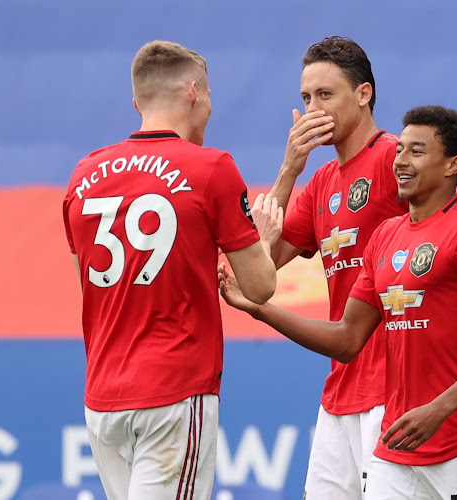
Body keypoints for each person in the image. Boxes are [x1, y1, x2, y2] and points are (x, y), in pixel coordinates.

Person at [262, 36, 457, 499]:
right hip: (341, 386)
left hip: (393, 388)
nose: (314, 109)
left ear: (363, 95)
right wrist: (289, 170)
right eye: (305, 98)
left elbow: (448, 249)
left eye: (326, 95)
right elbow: (259, 269)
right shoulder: (320, 182)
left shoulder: (392, 159)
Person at [61, 40, 278, 500]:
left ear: (137, 102)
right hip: (174, 390)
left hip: (103, 397)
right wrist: (260, 236)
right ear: (195, 92)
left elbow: (87, 279)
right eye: (211, 94)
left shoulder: (83, 174)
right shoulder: (211, 167)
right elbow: (260, 287)